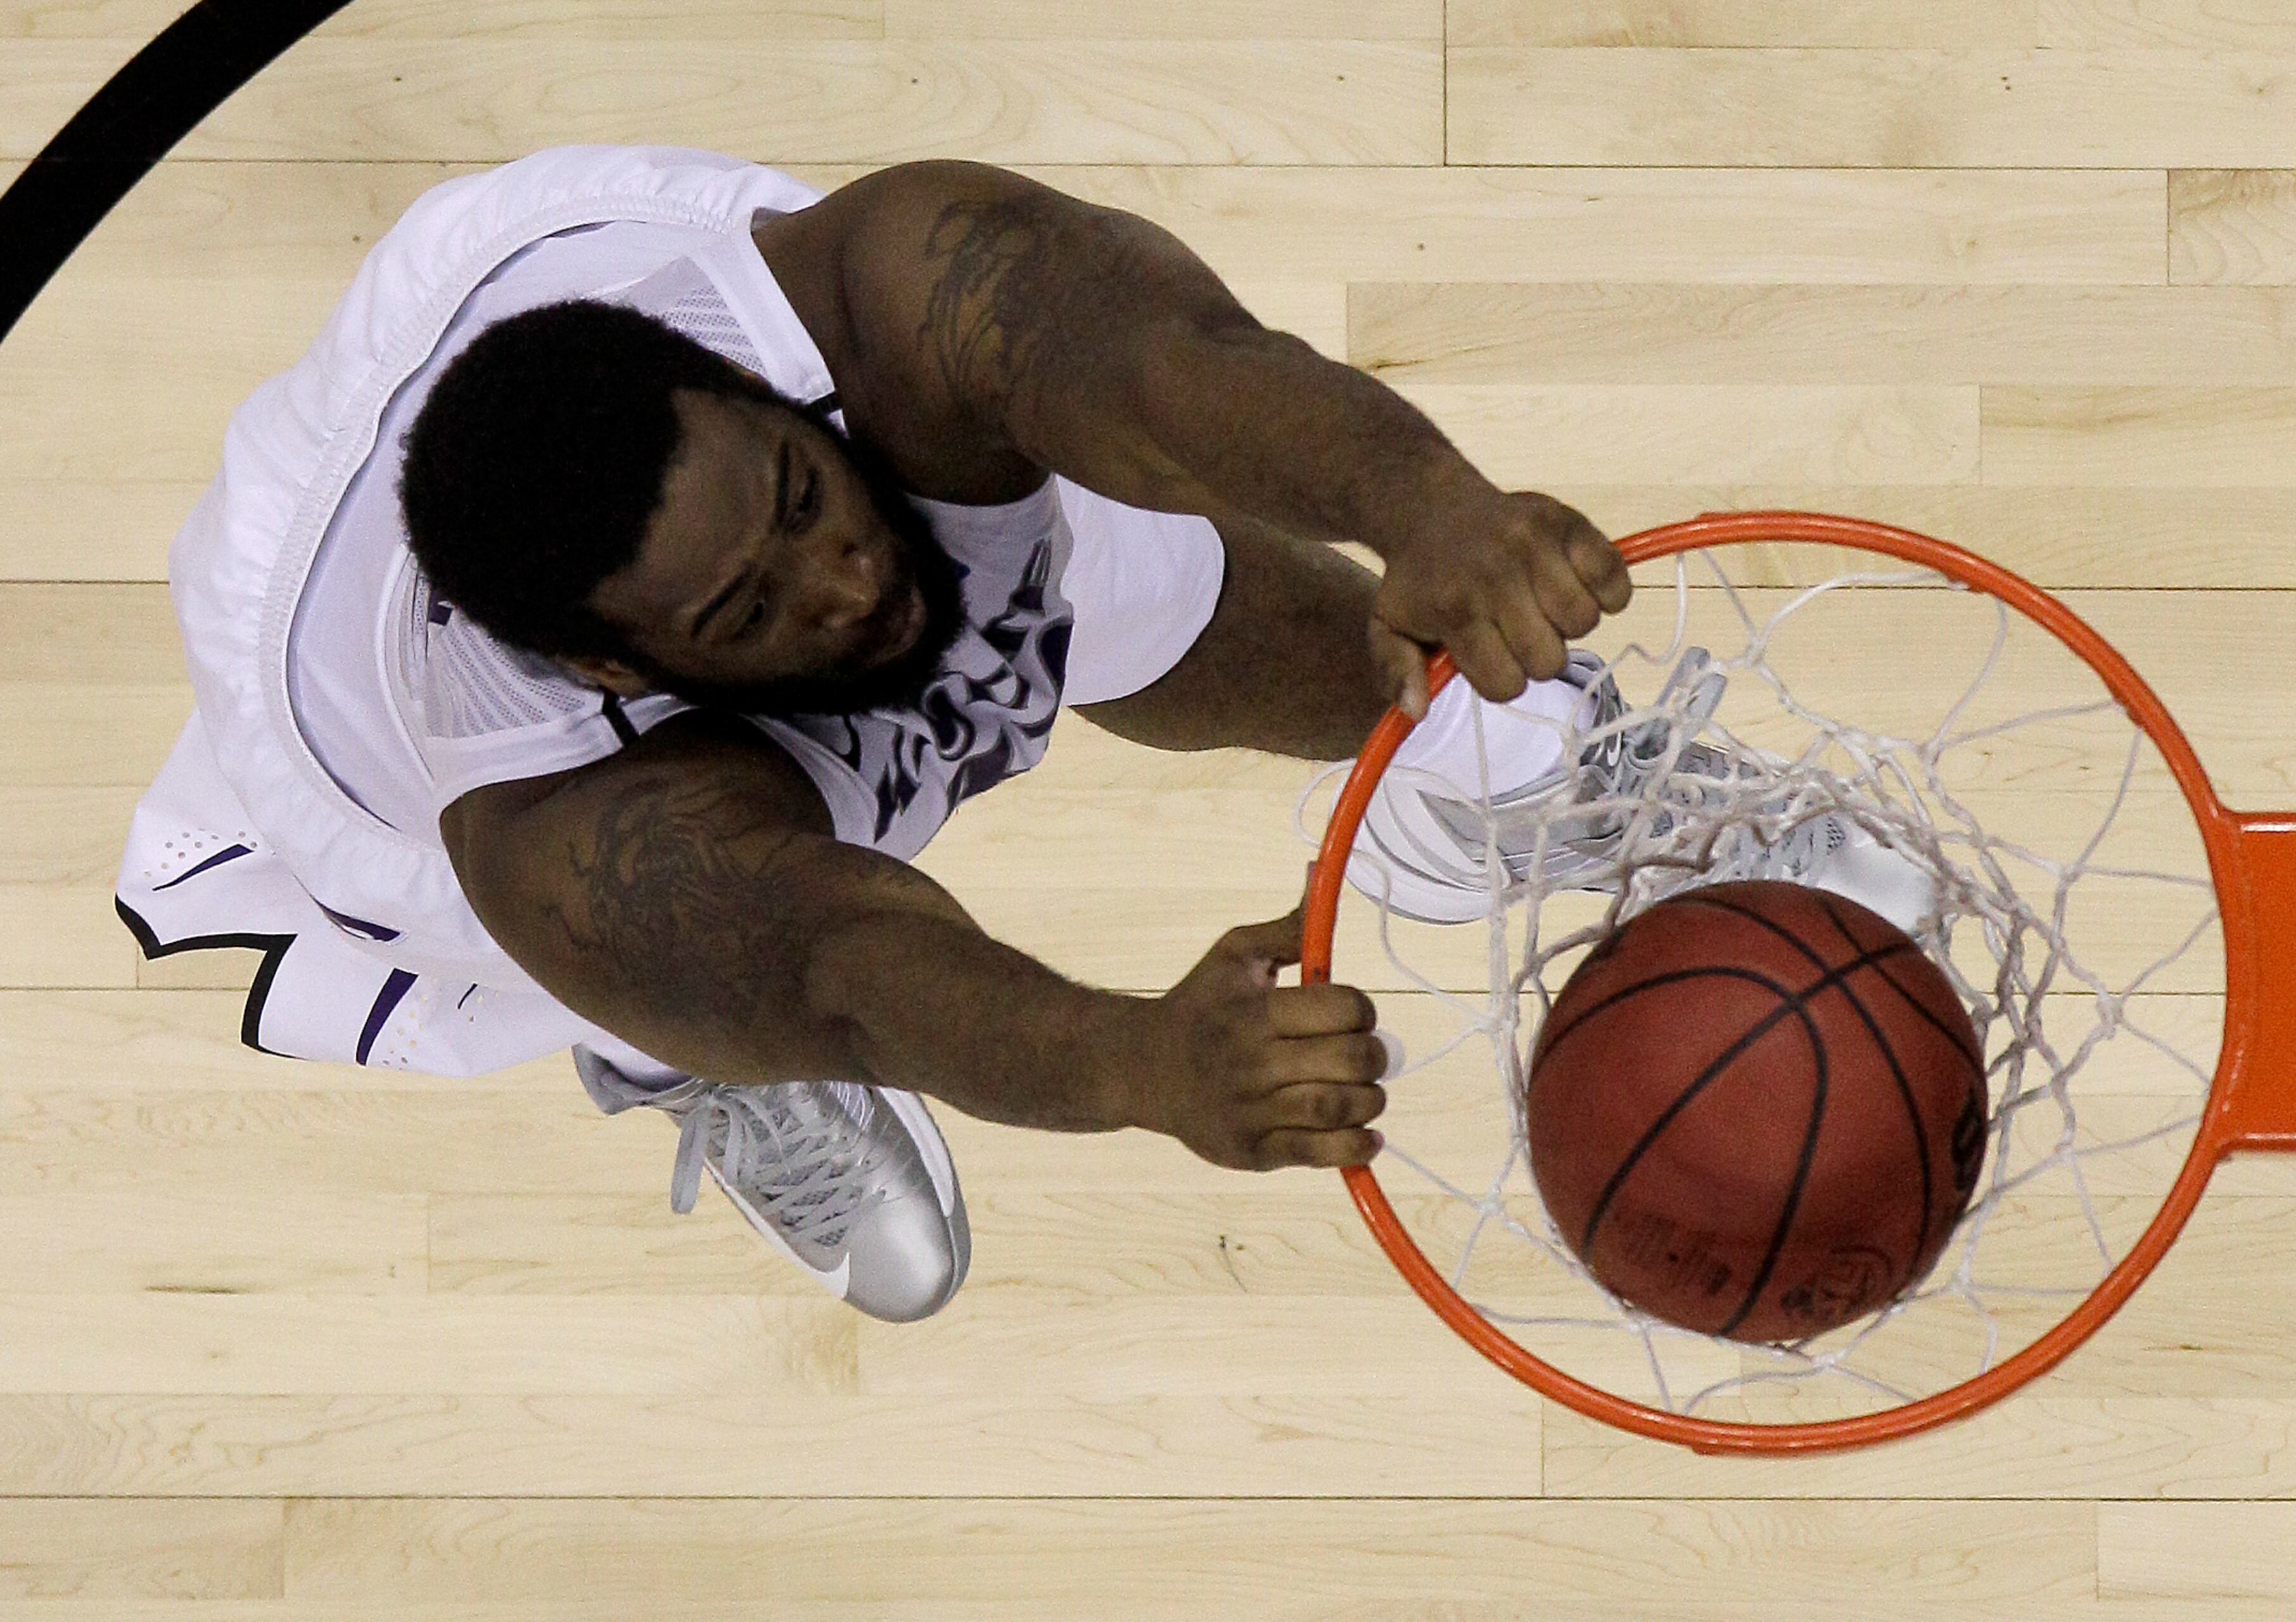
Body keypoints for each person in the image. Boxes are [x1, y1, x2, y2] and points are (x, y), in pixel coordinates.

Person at [114, 144, 1635, 1324]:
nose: (845, 581)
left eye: (800, 493)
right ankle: (704, 1064)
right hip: (350, 744)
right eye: (748, 609)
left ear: (758, 391)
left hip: (517, 278)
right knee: (709, 982)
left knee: (1114, 567)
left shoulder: (869, 288)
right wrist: (1141, 1061)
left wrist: (1425, 505)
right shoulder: (568, 844)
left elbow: (1171, 364)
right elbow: (851, 976)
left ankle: (1476, 750)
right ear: (607, 665)